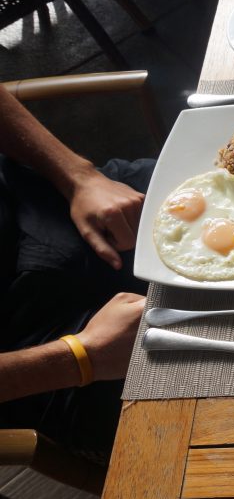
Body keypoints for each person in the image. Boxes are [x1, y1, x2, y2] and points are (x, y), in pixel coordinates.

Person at [0, 84, 154, 462]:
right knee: (228, 390)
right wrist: (79, 357)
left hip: (40, 197)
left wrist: (79, 176)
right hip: (33, 353)